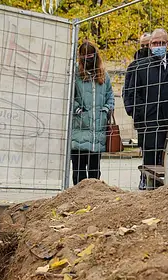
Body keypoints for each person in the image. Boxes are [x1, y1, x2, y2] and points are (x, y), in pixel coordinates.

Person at [123, 28, 168, 189]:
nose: (158, 46)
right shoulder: (140, 66)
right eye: (155, 43)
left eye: (162, 43)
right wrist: (140, 115)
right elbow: (132, 94)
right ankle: (149, 192)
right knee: (150, 165)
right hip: (149, 124)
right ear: (150, 45)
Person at [70, 41, 114, 186]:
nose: (88, 59)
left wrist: (106, 110)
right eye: (85, 56)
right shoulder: (75, 74)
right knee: (79, 171)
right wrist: (78, 110)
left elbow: (110, 96)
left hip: (98, 132)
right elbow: (69, 96)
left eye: (90, 55)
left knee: (95, 172)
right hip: (79, 130)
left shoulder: (104, 75)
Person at [124, 32, 153, 189]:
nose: (144, 48)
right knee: (145, 149)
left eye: (147, 45)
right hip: (142, 117)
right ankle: (145, 177)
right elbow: (127, 90)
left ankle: (152, 178)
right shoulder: (134, 65)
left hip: (157, 114)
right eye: (142, 45)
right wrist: (133, 111)